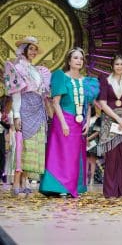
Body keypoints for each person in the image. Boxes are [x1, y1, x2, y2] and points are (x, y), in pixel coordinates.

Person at [39, 47, 99, 198]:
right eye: (75, 58)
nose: (79, 61)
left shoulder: (87, 81)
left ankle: (73, 186)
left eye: (81, 58)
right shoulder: (61, 77)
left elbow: (88, 104)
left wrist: (87, 121)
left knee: (75, 155)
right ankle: (58, 186)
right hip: (63, 120)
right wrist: (64, 123)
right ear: (69, 61)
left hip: (79, 122)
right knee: (62, 154)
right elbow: (56, 102)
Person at [4, 36, 51, 195]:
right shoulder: (17, 68)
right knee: (22, 145)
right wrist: (16, 115)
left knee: (33, 146)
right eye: (30, 48)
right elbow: (16, 94)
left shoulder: (37, 70)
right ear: (24, 49)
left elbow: (42, 93)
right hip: (24, 107)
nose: (33, 52)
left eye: (35, 49)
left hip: (37, 108)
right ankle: (16, 182)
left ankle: (24, 180)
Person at [98, 54, 122, 198]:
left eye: (121, 64)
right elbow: (102, 103)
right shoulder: (105, 81)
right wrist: (117, 118)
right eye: (117, 64)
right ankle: (110, 192)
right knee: (111, 158)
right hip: (110, 122)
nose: (119, 67)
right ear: (112, 66)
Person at [86, 105, 101, 185]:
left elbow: (97, 132)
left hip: (93, 142)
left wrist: (88, 139)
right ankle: (85, 178)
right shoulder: (85, 119)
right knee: (86, 160)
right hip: (85, 142)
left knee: (92, 161)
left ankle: (91, 179)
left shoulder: (97, 119)